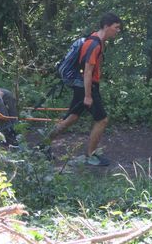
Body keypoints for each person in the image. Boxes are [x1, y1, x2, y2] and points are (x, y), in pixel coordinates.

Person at [49, 12, 122, 165]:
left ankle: (42, 144)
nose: (118, 30)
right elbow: (87, 71)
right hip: (85, 86)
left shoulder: (100, 41)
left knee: (72, 118)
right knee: (102, 120)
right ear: (106, 26)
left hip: (84, 85)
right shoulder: (94, 44)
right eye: (116, 27)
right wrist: (88, 95)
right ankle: (91, 155)